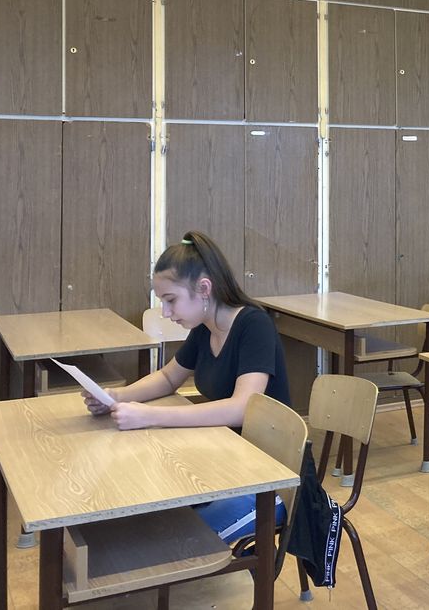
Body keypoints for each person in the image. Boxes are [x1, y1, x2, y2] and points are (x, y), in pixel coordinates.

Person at [83, 231, 291, 539]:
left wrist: (150, 416)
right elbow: (169, 377)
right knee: (153, 514)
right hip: (227, 460)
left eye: (171, 301)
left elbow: (241, 408)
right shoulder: (205, 327)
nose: (166, 313)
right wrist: (115, 397)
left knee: (179, 540)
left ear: (204, 289)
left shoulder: (254, 325)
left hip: (271, 479)